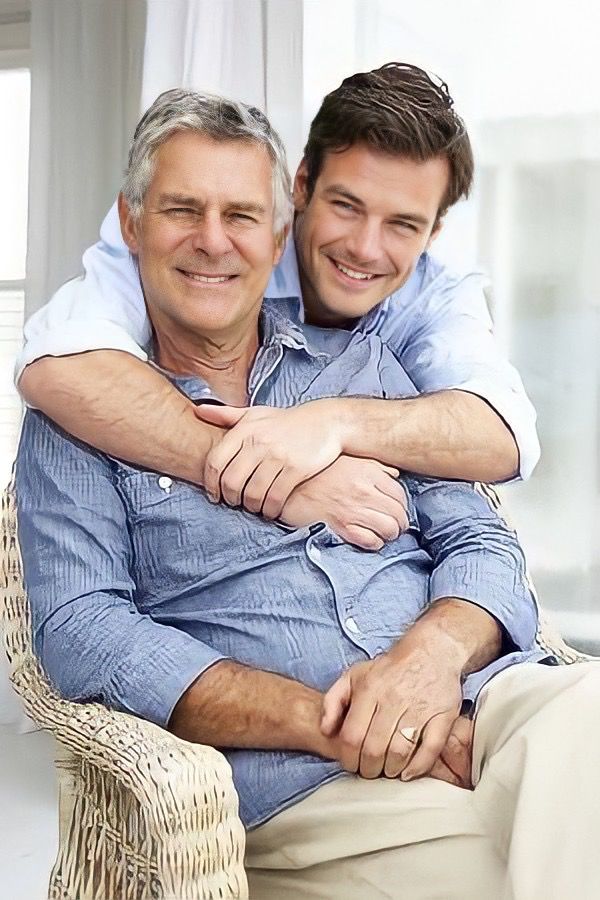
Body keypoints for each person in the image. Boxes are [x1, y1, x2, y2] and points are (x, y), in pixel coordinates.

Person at [15, 89, 600, 900]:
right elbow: (83, 631)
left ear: (280, 228)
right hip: (313, 779)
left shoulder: (364, 363)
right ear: (132, 222)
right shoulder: (85, 411)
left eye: (241, 216)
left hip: (485, 698)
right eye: (183, 208)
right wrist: (330, 719)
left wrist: (425, 665)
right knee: (489, 877)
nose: (213, 242)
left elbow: (482, 536)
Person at [15, 64, 539, 552]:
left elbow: (505, 434)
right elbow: (58, 364)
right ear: (302, 186)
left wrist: (331, 424)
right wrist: (271, 475)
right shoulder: (210, 242)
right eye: (346, 206)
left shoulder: (436, 293)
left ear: (433, 232)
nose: (365, 248)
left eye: (403, 224)